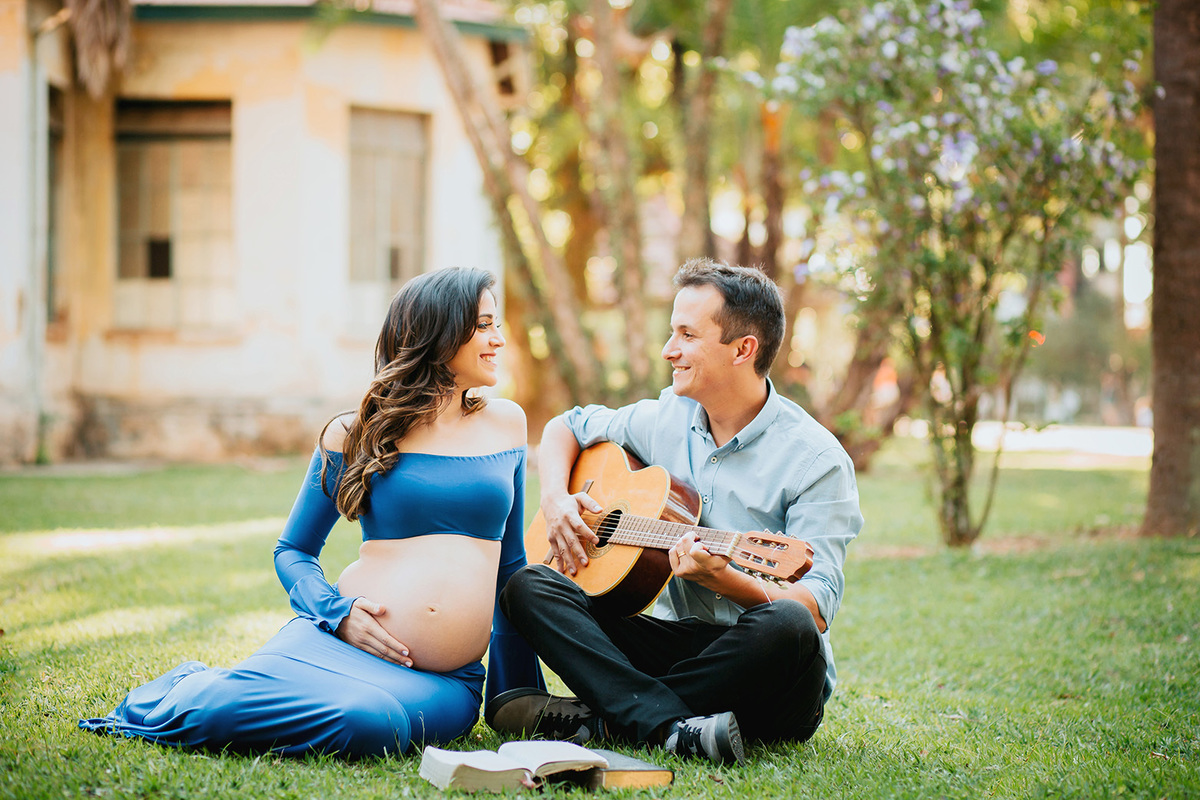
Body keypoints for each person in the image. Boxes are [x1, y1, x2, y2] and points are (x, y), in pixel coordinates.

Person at [80, 267, 544, 758]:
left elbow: (510, 568)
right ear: (439, 332)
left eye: (496, 324)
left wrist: (514, 693)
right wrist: (337, 614)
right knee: (219, 709)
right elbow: (293, 550)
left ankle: (241, 692)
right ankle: (195, 687)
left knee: (369, 722)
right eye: (484, 325)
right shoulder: (354, 434)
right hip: (332, 642)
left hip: (441, 678)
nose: (498, 339)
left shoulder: (506, 425)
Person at [486, 259, 863, 766]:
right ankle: (667, 725)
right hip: (669, 645)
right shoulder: (666, 417)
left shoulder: (816, 460)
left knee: (788, 625)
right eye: (672, 332)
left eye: (687, 335)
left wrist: (724, 580)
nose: (669, 350)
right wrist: (556, 500)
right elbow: (566, 427)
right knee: (528, 586)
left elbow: (813, 608)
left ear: (742, 349)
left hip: (765, 671)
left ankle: (608, 718)